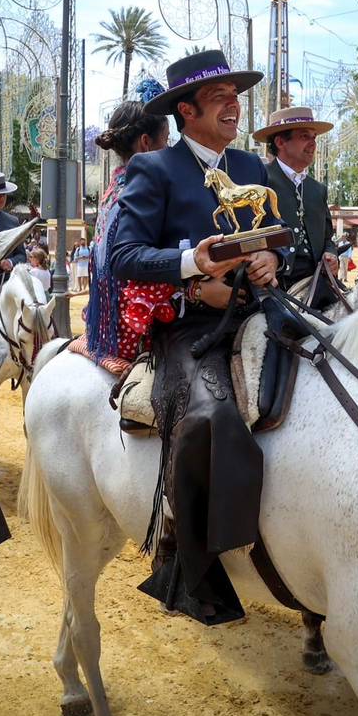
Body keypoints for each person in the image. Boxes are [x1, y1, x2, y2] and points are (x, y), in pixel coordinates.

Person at [108, 49, 283, 623]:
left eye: (236, 95)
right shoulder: (153, 170)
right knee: (208, 418)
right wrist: (190, 269)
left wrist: (267, 264)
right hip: (189, 321)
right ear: (186, 110)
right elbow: (124, 255)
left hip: (261, 309)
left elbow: (272, 239)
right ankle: (188, 563)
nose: (234, 104)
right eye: (219, 97)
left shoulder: (255, 169)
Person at [85, 95, 169, 361]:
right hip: (136, 330)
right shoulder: (143, 192)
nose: (170, 148)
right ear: (146, 143)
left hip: (105, 328)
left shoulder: (113, 190)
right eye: (166, 141)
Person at [253, 106, 338, 307]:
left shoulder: (318, 189)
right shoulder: (260, 180)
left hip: (317, 285)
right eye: (304, 136)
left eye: (314, 137)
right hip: (273, 288)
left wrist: (331, 255)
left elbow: (327, 238)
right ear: (280, 142)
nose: (312, 143)